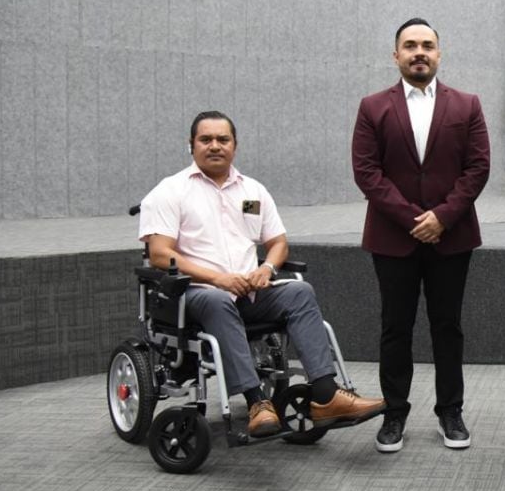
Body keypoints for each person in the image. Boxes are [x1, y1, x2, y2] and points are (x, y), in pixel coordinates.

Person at [138, 111, 385, 438]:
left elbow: (278, 242)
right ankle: (257, 403)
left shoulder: (251, 192)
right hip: (194, 296)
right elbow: (159, 252)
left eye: (223, 139)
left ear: (235, 146)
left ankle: (326, 395)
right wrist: (218, 279)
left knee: (300, 291)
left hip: (249, 293)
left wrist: (266, 268)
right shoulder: (171, 191)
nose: (215, 146)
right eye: (206, 139)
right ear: (191, 145)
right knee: (216, 300)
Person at [351, 18, 491, 452]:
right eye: (410, 45)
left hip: (452, 237)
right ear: (395, 55)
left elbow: (478, 168)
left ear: (439, 53)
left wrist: (442, 217)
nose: (419, 52)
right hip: (394, 238)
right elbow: (367, 172)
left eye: (427, 45)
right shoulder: (373, 106)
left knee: (447, 326)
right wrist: (415, 219)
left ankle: (451, 412)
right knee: (395, 327)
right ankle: (394, 414)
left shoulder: (467, 105)